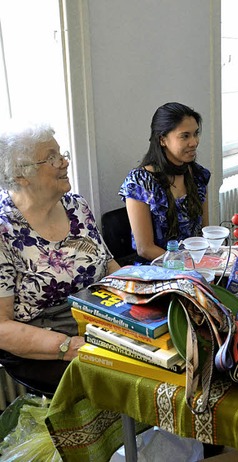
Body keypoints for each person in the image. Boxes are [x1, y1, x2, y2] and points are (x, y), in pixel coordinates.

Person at [0, 121, 120, 392]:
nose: (64, 162)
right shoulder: (3, 230)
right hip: (48, 341)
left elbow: (107, 262)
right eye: (51, 158)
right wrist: (69, 346)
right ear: (20, 175)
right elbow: (2, 327)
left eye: (61, 154)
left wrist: (137, 299)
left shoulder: (75, 205)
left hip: (100, 316)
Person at [119, 102, 211, 263]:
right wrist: (188, 267)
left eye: (196, 134)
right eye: (185, 136)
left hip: (196, 266)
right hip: (157, 271)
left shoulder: (197, 175)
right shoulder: (139, 183)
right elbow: (145, 248)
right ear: (162, 140)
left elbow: (203, 233)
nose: (194, 142)